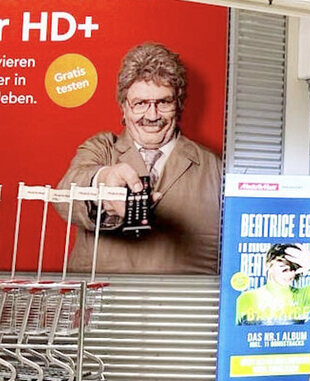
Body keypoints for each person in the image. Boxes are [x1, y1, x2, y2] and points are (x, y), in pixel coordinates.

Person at [56, 43, 222, 274]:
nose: (152, 116)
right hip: (106, 303)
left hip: (182, 305)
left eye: (163, 102)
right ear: (124, 108)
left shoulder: (214, 167)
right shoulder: (101, 149)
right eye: (140, 104)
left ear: (179, 104)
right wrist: (104, 184)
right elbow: (65, 196)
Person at [236, 244, 310, 325]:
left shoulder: (306, 296)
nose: (290, 275)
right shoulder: (247, 298)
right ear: (269, 265)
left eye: (294, 270)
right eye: (284, 269)